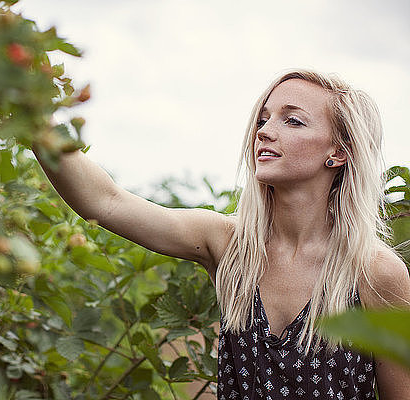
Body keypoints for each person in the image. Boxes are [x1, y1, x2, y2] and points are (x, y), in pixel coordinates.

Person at [34, 69, 410, 399]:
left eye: (292, 121)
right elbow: (106, 201)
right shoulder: (230, 244)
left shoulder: (375, 274)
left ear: (339, 151)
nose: (265, 131)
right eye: (263, 119)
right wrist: (32, 117)